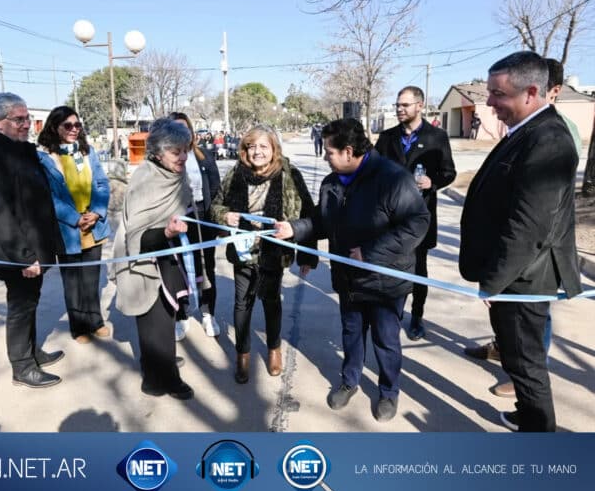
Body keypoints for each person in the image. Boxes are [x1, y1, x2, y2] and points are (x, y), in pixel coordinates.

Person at [274, 118, 429, 421]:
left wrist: (371, 253)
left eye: (329, 152)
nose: (325, 157)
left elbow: (418, 223)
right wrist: (293, 228)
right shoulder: (332, 182)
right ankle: (349, 381)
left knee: (386, 340)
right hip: (349, 279)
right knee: (351, 333)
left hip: (386, 280)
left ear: (348, 151)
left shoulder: (391, 178)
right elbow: (321, 221)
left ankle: (388, 392)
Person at [459, 51, 581, 432]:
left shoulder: (549, 140)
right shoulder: (525, 130)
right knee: (514, 355)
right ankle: (527, 414)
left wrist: (494, 282)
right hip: (511, 276)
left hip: (525, 279)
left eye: (498, 94)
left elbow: (529, 227)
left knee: (527, 364)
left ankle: (538, 441)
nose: (490, 103)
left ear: (531, 92)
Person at [211, 124, 318, 384]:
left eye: (263, 146)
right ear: (245, 149)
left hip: (273, 251)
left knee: (271, 301)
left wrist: (307, 255)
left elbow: (309, 214)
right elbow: (215, 204)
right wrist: (224, 215)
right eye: (252, 146)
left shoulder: (288, 173)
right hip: (243, 249)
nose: (257, 152)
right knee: (242, 303)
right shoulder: (236, 172)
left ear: (274, 149)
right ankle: (243, 354)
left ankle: (274, 349)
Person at [0, 93, 64, 388]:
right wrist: (24, 257)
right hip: (18, 254)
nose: (27, 125)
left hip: (34, 248)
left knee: (31, 301)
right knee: (21, 305)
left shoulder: (21, 150)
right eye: (19, 119)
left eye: (27, 118)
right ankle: (22, 367)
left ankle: (31, 351)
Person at [110, 118, 200, 400]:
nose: (184, 157)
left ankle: (159, 368)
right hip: (142, 261)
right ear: (159, 153)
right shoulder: (147, 179)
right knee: (153, 321)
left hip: (165, 255)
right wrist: (167, 231)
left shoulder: (174, 175)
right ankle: (163, 380)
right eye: (177, 152)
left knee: (164, 317)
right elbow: (138, 236)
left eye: (186, 149)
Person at [375, 86, 456, 340]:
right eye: (397, 105)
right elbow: (373, 170)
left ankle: (417, 316)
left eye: (405, 105)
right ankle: (390, 314)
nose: (399, 109)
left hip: (420, 216)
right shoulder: (387, 138)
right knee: (388, 266)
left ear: (420, 106)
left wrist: (433, 182)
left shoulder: (437, 137)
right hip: (389, 217)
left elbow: (449, 172)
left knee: (419, 269)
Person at [37, 106, 111, 344]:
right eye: (67, 126)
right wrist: (75, 218)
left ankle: (95, 321)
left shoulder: (88, 153)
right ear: (54, 127)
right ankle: (78, 327)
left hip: (92, 225)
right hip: (68, 228)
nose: (73, 130)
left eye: (77, 125)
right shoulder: (45, 158)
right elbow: (49, 197)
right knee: (73, 282)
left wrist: (97, 213)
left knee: (91, 279)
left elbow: (101, 183)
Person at [168, 111, 221, 339]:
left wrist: (218, 221)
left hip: (203, 216)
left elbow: (216, 189)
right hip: (177, 218)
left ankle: (209, 314)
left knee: (207, 268)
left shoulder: (204, 156)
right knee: (178, 268)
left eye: (185, 128)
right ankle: (181, 316)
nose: (182, 133)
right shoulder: (163, 159)